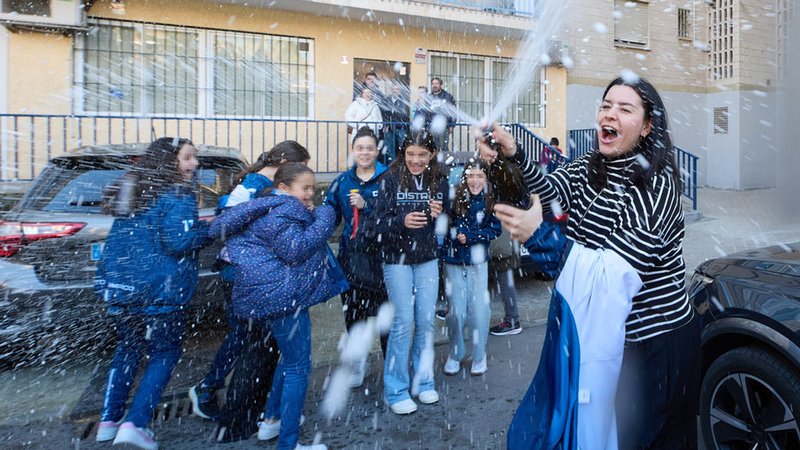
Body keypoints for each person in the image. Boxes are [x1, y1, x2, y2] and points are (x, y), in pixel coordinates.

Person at [483, 76, 700, 449]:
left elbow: (613, 276)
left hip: (652, 346)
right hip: (600, 337)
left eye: (624, 108)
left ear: (648, 126)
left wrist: (540, 236)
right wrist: (514, 153)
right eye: (605, 105)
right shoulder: (589, 166)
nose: (609, 114)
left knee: (647, 438)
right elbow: (552, 192)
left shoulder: (658, 184)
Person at [209, 162, 348, 450]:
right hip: (285, 300)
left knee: (288, 360)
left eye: (312, 188)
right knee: (298, 367)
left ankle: (272, 420)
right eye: (305, 188)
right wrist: (325, 215)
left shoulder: (267, 207)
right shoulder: (286, 210)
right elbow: (295, 249)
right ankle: (288, 443)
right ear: (284, 188)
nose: (311, 194)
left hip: (270, 297)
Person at [95, 137, 212, 450]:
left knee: (128, 350)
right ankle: (135, 424)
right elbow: (179, 243)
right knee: (164, 352)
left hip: (120, 289)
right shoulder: (177, 193)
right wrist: (208, 229)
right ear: (169, 161)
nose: (194, 164)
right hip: (159, 294)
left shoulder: (134, 188)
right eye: (188, 158)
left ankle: (109, 421)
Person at [189, 141, 310, 422]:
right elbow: (226, 224)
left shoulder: (265, 185)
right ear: (283, 162)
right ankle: (226, 397)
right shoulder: (253, 186)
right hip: (242, 273)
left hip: (255, 274)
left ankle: (252, 404)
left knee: (254, 338)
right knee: (250, 338)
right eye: (299, 166)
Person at [375, 129, 448, 415]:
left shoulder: (438, 181)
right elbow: (378, 224)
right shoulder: (389, 180)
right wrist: (402, 220)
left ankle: (424, 381)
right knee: (403, 322)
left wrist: (440, 213)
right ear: (403, 154)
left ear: (431, 156)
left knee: (426, 322)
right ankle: (396, 390)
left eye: (422, 155)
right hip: (397, 260)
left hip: (428, 257)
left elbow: (446, 221)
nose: (416, 161)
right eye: (410, 155)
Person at [324, 126, 389, 388]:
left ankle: (392, 368)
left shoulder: (389, 178)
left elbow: (395, 216)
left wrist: (368, 206)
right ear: (353, 150)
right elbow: (329, 215)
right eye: (360, 148)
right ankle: (357, 364)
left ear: (377, 150)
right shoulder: (342, 181)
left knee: (387, 319)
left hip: (383, 259)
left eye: (370, 148)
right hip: (352, 260)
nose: (365, 152)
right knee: (355, 318)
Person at [441, 160, 501, 376]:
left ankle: (479, 353)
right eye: (471, 176)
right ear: (464, 179)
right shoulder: (453, 199)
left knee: (478, 311)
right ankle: (455, 353)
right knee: (456, 311)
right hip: (454, 261)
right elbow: (443, 226)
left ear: (486, 180)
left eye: (479, 176)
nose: (475, 181)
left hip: (478, 262)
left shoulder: (490, 202)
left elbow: (495, 230)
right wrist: (453, 238)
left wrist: (473, 237)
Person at [382, 83, 409, 164]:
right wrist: (385, 124)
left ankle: (403, 165)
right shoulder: (387, 99)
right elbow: (384, 113)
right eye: (394, 89)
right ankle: (392, 165)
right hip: (389, 128)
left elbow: (405, 114)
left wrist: (401, 123)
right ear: (391, 90)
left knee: (402, 147)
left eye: (397, 89)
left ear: (399, 91)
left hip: (400, 128)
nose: (395, 90)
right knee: (390, 148)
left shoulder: (403, 100)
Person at [429, 77, 456, 152]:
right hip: (433, 126)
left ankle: (446, 163)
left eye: (436, 84)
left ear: (440, 85)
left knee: (444, 147)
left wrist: (452, 125)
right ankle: (436, 163)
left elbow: (453, 112)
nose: (435, 85)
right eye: (433, 84)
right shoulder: (429, 97)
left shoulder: (447, 96)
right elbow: (427, 112)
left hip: (445, 126)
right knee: (435, 147)